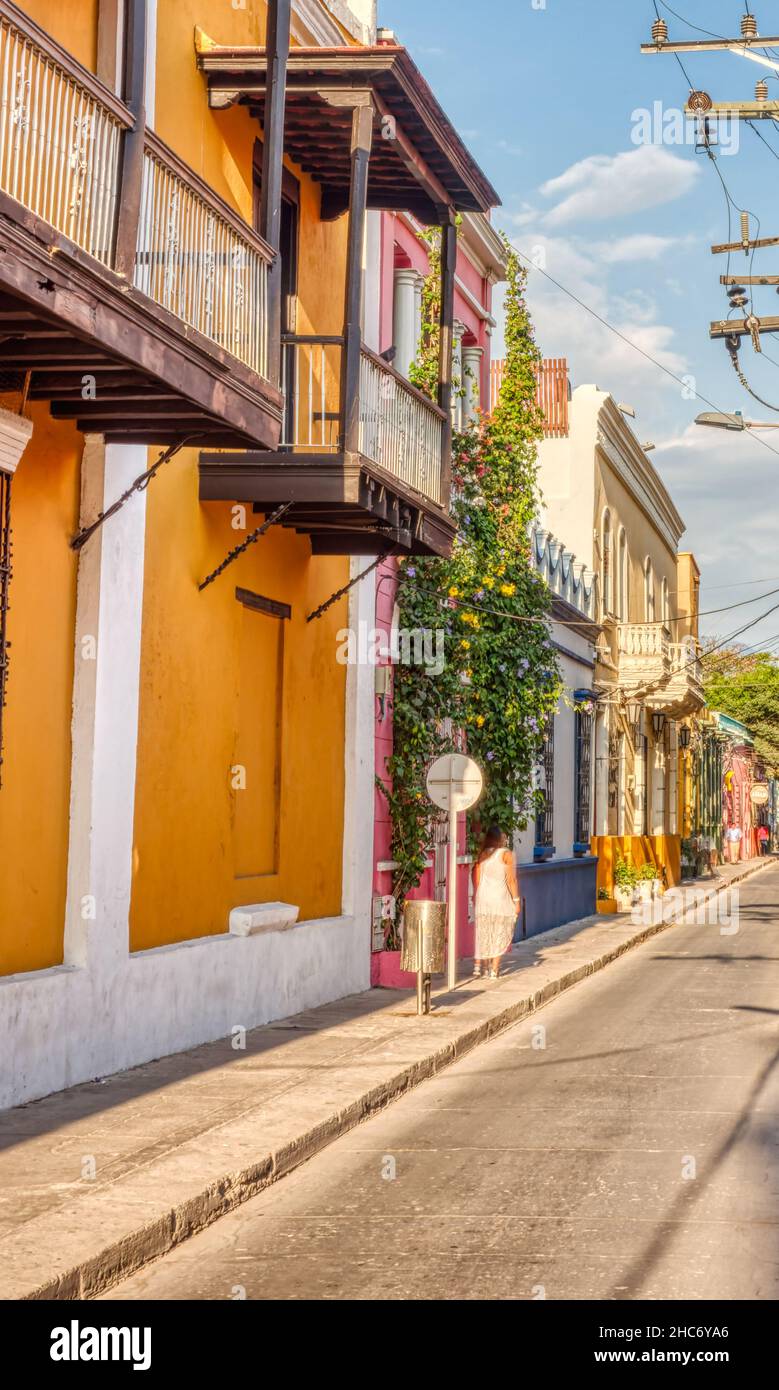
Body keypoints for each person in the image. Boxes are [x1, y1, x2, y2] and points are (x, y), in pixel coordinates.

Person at [472, 826, 520, 980]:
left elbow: (477, 881)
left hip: (483, 898)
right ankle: (494, 969)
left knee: (485, 933)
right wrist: (516, 901)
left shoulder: (483, 854)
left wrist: (476, 897)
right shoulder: (506, 854)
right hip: (499, 898)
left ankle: (485, 968)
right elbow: (511, 880)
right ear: (500, 839)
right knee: (499, 931)